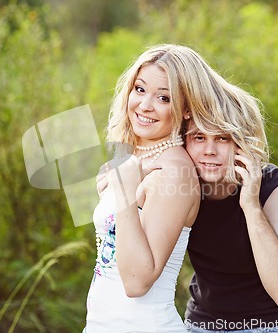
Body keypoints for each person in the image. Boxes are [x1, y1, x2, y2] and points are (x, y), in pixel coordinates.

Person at [83, 44, 205, 332]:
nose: (145, 105)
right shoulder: (132, 161)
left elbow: (138, 281)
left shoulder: (173, 171)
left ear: (186, 109)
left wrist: (124, 193)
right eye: (140, 89)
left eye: (164, 97)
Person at [182, 66, 278, 332]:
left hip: (270, 325)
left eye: (222, 139)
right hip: (202, 325)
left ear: (242, 144)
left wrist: (251, 206)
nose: (209, 151)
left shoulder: (275, 191)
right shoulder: (181, 186)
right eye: (198, 137)